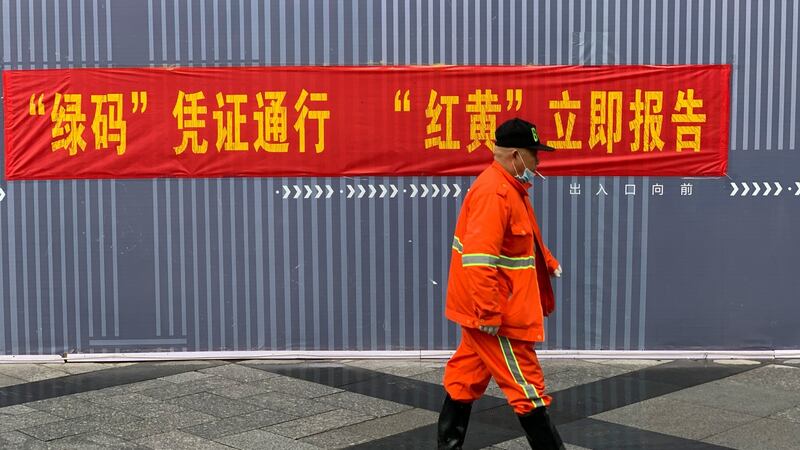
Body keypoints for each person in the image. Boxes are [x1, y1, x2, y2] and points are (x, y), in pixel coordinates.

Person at [437, 118, 565, 450]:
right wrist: (490, 314)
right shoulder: (495, 192)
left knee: (463, 380)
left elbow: (523, 239)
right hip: (499, 316)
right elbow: (479, 261)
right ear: (515, 155)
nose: (538, 162)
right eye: (534, 154)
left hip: (491, 310)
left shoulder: (510, 187)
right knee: (527, 389)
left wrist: (548, 261)